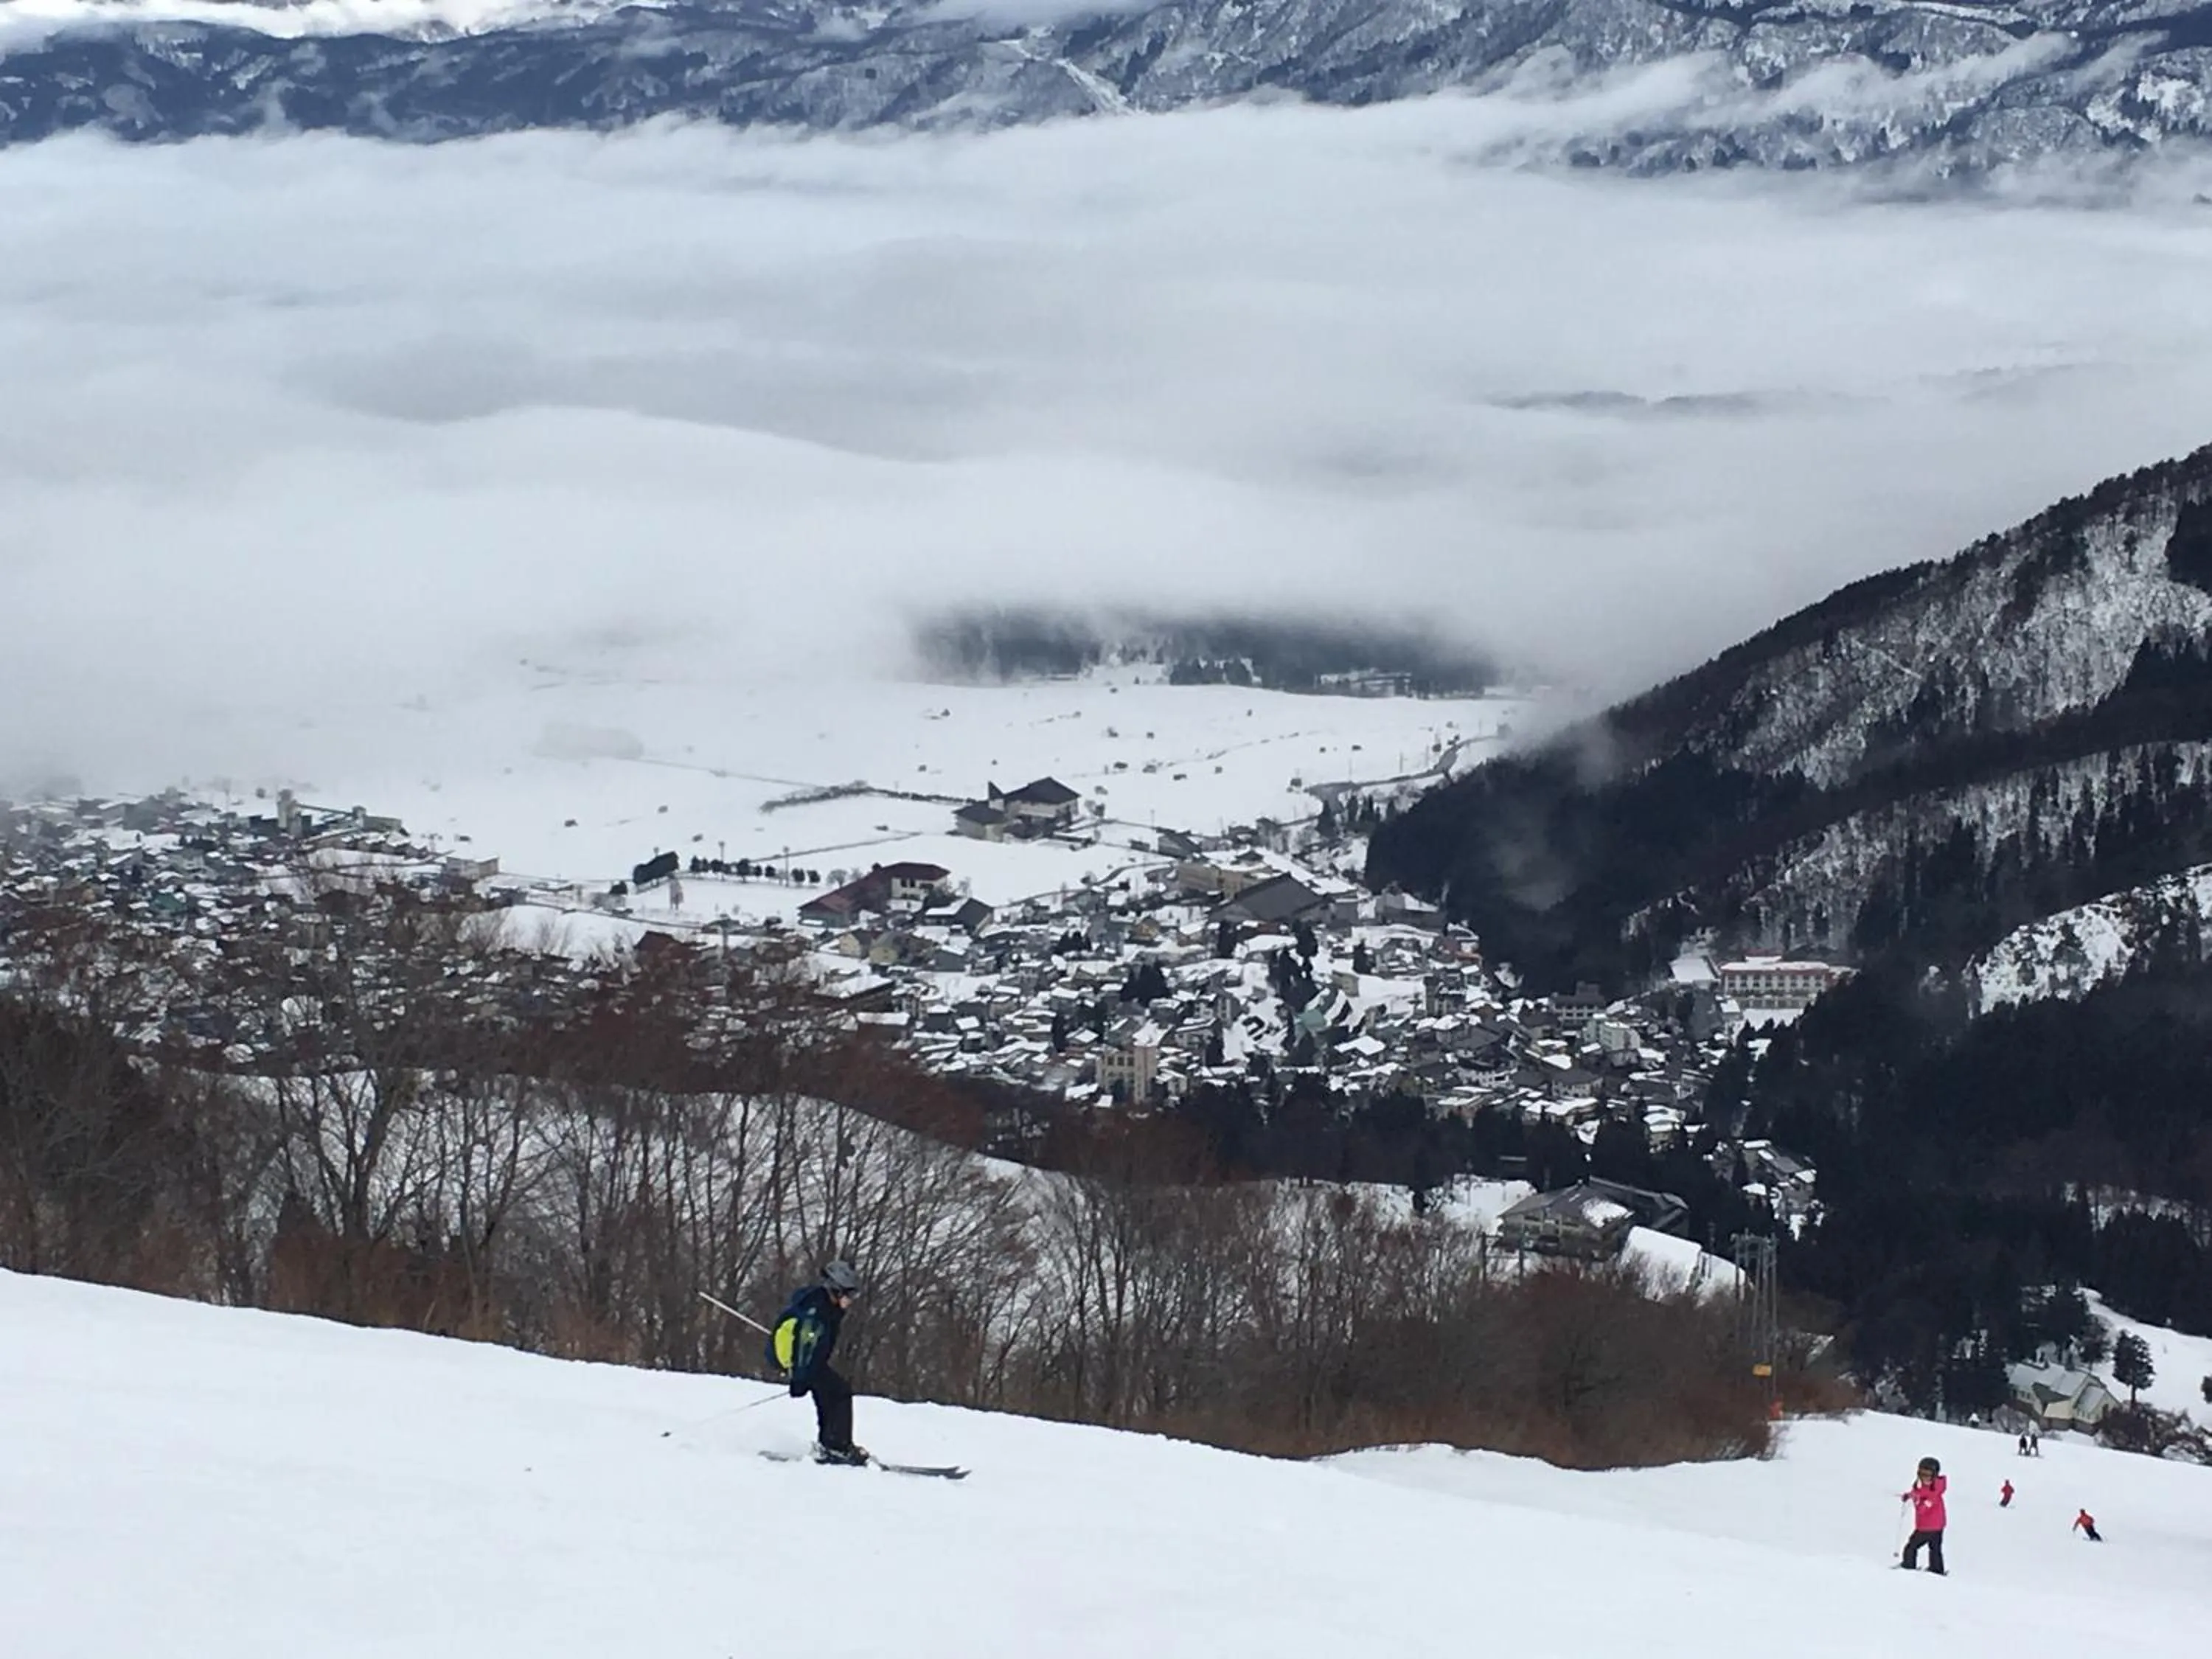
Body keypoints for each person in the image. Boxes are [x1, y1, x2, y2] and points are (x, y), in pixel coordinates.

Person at [766, 1259, 866, 1465]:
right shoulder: (817, 1311)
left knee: (828, 1395)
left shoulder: (826, 1306)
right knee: (840, 1392)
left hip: (814, 1363)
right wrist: (800, 1377)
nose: (851, 1299)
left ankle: (831, 1444)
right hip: (807, 1364)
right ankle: (837, 1446)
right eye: (849, 1294)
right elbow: (805, 1346)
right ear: (836, 1290)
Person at [1899, 1456, 1949, 1574]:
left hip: (1929, 1526)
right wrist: (1909, 1495)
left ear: (1935, 1475)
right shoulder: (1922, 1485)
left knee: (1911, 1547)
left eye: (1928, 1475)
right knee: (1935, 1548)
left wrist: (1918, 1503)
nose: (1925, 1478)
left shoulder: (1935, 1491)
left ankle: (1908, 1567)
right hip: (1937, 1524)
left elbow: (1926, 1505)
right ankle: (1937, 1569)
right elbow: (1918, 1493)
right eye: (1922, 1474)